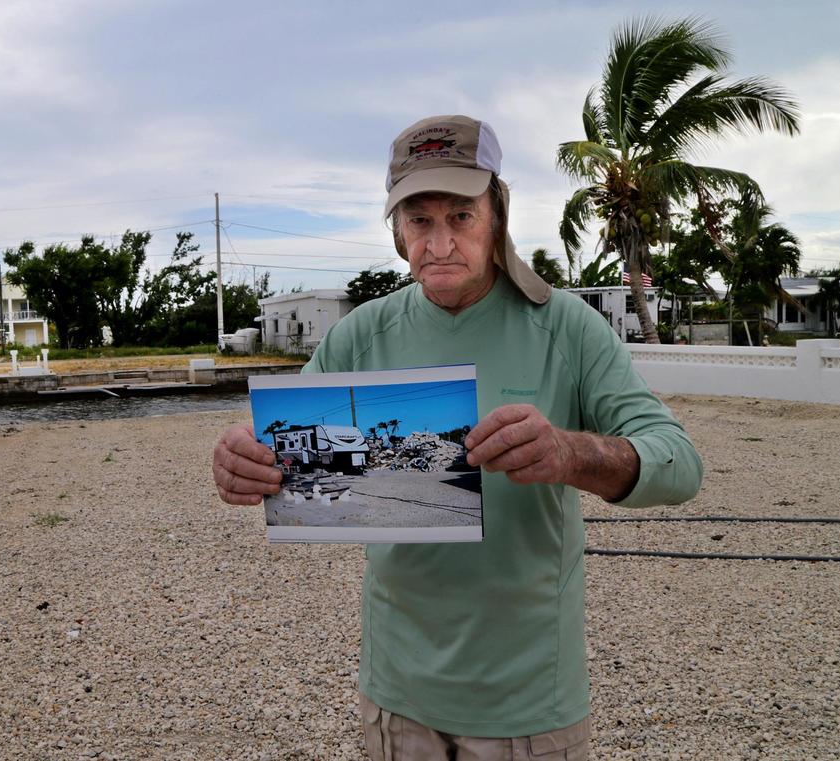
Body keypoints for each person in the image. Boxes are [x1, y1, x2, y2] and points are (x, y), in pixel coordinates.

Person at [212, 115, 703, 760]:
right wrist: (240, 461)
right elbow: (278, 449)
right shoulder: (360, 335)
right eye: (419, 220)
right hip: (396, 691)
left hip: (529, 698)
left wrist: (571, 452)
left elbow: (680, 463)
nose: (439, 243)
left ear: (497, 214)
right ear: (395, 231)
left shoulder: (567, 327)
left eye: (461, 217)